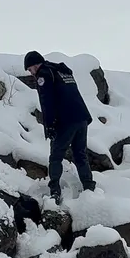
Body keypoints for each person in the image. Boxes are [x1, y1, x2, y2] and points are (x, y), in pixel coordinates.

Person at [24, 50, 95, 202]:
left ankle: (54, 191)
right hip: (81, 117)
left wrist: (49, 126)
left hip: (66, 121)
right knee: (80, 155)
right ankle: (90, 188)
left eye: (30, 69)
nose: (31, 74)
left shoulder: (44, 74)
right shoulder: (62, 71)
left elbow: (47, 101)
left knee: (56, 157)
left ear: (36, 65)